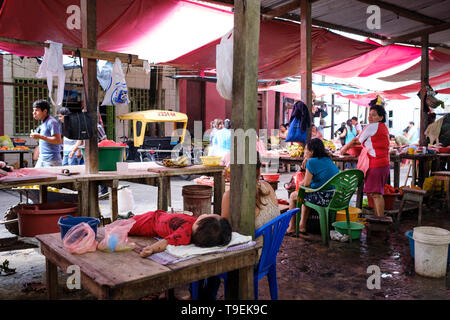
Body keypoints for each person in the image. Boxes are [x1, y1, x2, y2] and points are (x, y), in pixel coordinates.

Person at [340, 103, 390, 217]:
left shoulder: (372, 126)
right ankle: (378, 220)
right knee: (376, 193)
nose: (370, 117)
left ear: (381, 117)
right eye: (369, 115)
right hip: (383, 164)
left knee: (376, 194)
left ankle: (380, 221)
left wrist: (343, 149)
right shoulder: (383, 127)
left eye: (374, 115)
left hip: (376, 164)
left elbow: (356, 140)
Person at [285, 138, 339, 236]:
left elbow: (306, 184)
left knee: (293, 196)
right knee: (306, 196)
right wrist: (307, 159)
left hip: (323, 198)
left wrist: (299, 183)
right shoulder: (328, 159)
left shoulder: (312, 162)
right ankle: (302, 226)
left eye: (306, 149)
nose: (304, 152)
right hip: (334, 197)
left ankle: (291, 227)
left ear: (312, 151)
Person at [128, 210, 232, 258]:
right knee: (128, 221)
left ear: (199, 225)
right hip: (155, 215)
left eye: (208, 215)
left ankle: (124, 219)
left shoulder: (184, 234)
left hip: (149, 223)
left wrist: (151, 249)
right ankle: (128, 217)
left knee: (124, 226)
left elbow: (166, 242)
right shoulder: (195, 225)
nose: (206, 213)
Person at [30, 99, 63, 167]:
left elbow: (58, 141)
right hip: (42, 158)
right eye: (33, 110)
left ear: (45, 111)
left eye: (36, 110)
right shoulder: (43, 122)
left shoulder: (52, 122)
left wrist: (40, 136)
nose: (34, 112)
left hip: (52, 160)